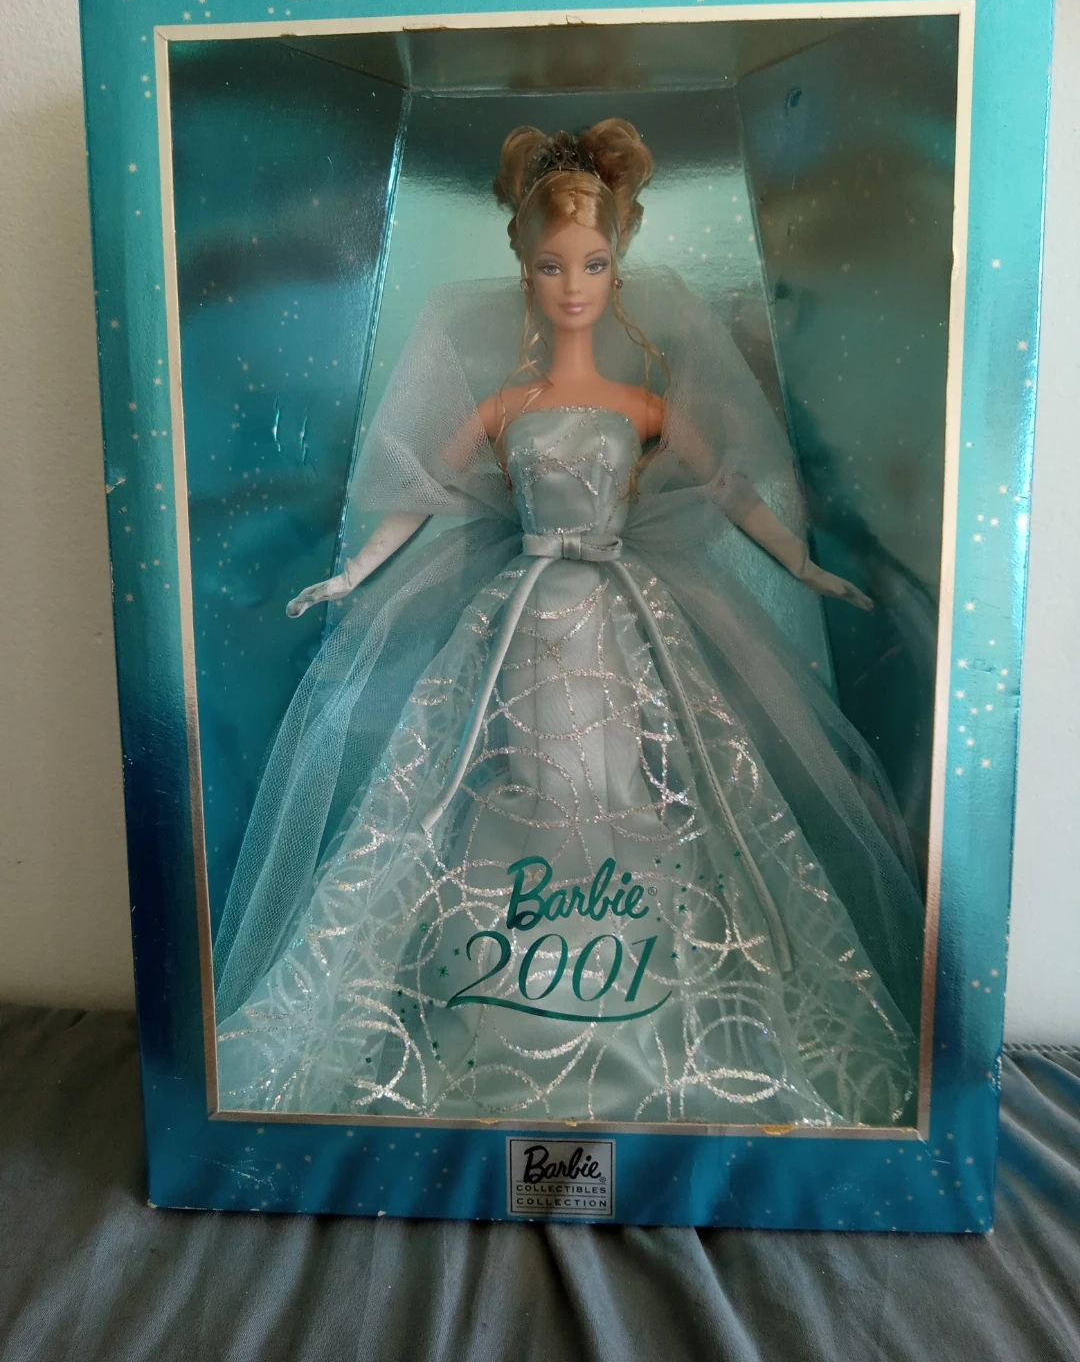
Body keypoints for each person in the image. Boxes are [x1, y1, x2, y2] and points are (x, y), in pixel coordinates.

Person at [213, 119, 923, 1126]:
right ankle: (522, 974)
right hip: (526, 617)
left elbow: (729, 488)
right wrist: (354, 573)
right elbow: (416, 495)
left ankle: (634, 978)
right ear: (526, 270)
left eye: (592, 263)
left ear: (616, 264)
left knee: (631, 777)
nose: (574, 286)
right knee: (521, 772)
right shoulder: (505, 408)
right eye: (552, 266)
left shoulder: (642, 407)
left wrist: (801, 564)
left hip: (621, 614)